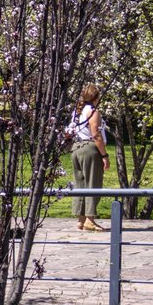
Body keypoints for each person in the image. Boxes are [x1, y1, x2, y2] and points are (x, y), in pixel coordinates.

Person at [69, 84, 109, 232]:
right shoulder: (93, 112)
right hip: (90, 149)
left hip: (76, 148)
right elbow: (96, 135)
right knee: (93, 183)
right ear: (95, 98)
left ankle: (81, 219)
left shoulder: (76, 112)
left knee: (80, 184)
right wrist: (104, 155)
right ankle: (90, 220)